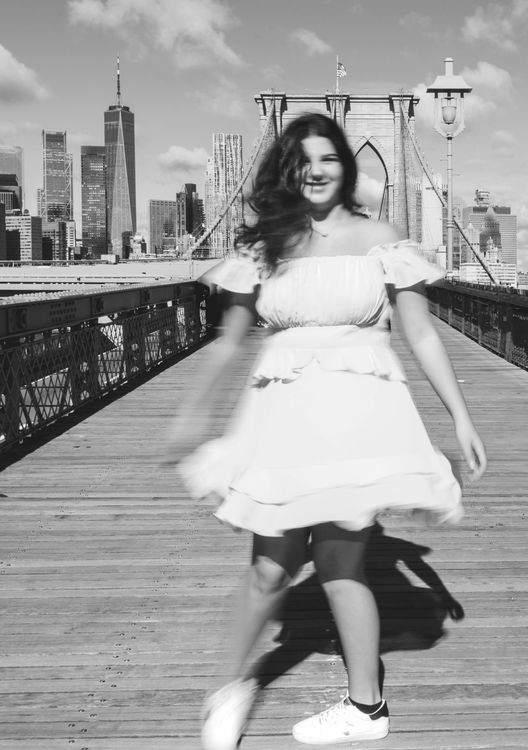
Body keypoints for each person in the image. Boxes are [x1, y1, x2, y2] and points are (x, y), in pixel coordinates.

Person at [166, 112, 487, 749]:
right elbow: (228, 343)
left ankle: (366, 709)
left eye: (327, 159)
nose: (315, 171)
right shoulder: (262, 246)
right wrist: (192, 409)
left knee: (342, 566)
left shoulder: (382, 238)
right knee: (269, 567)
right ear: (288, 172)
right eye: (301, 161)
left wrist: (460, 415)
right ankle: (229, 692)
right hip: (283, 415)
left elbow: (419, 331)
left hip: (359, 413)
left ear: (347, 166)